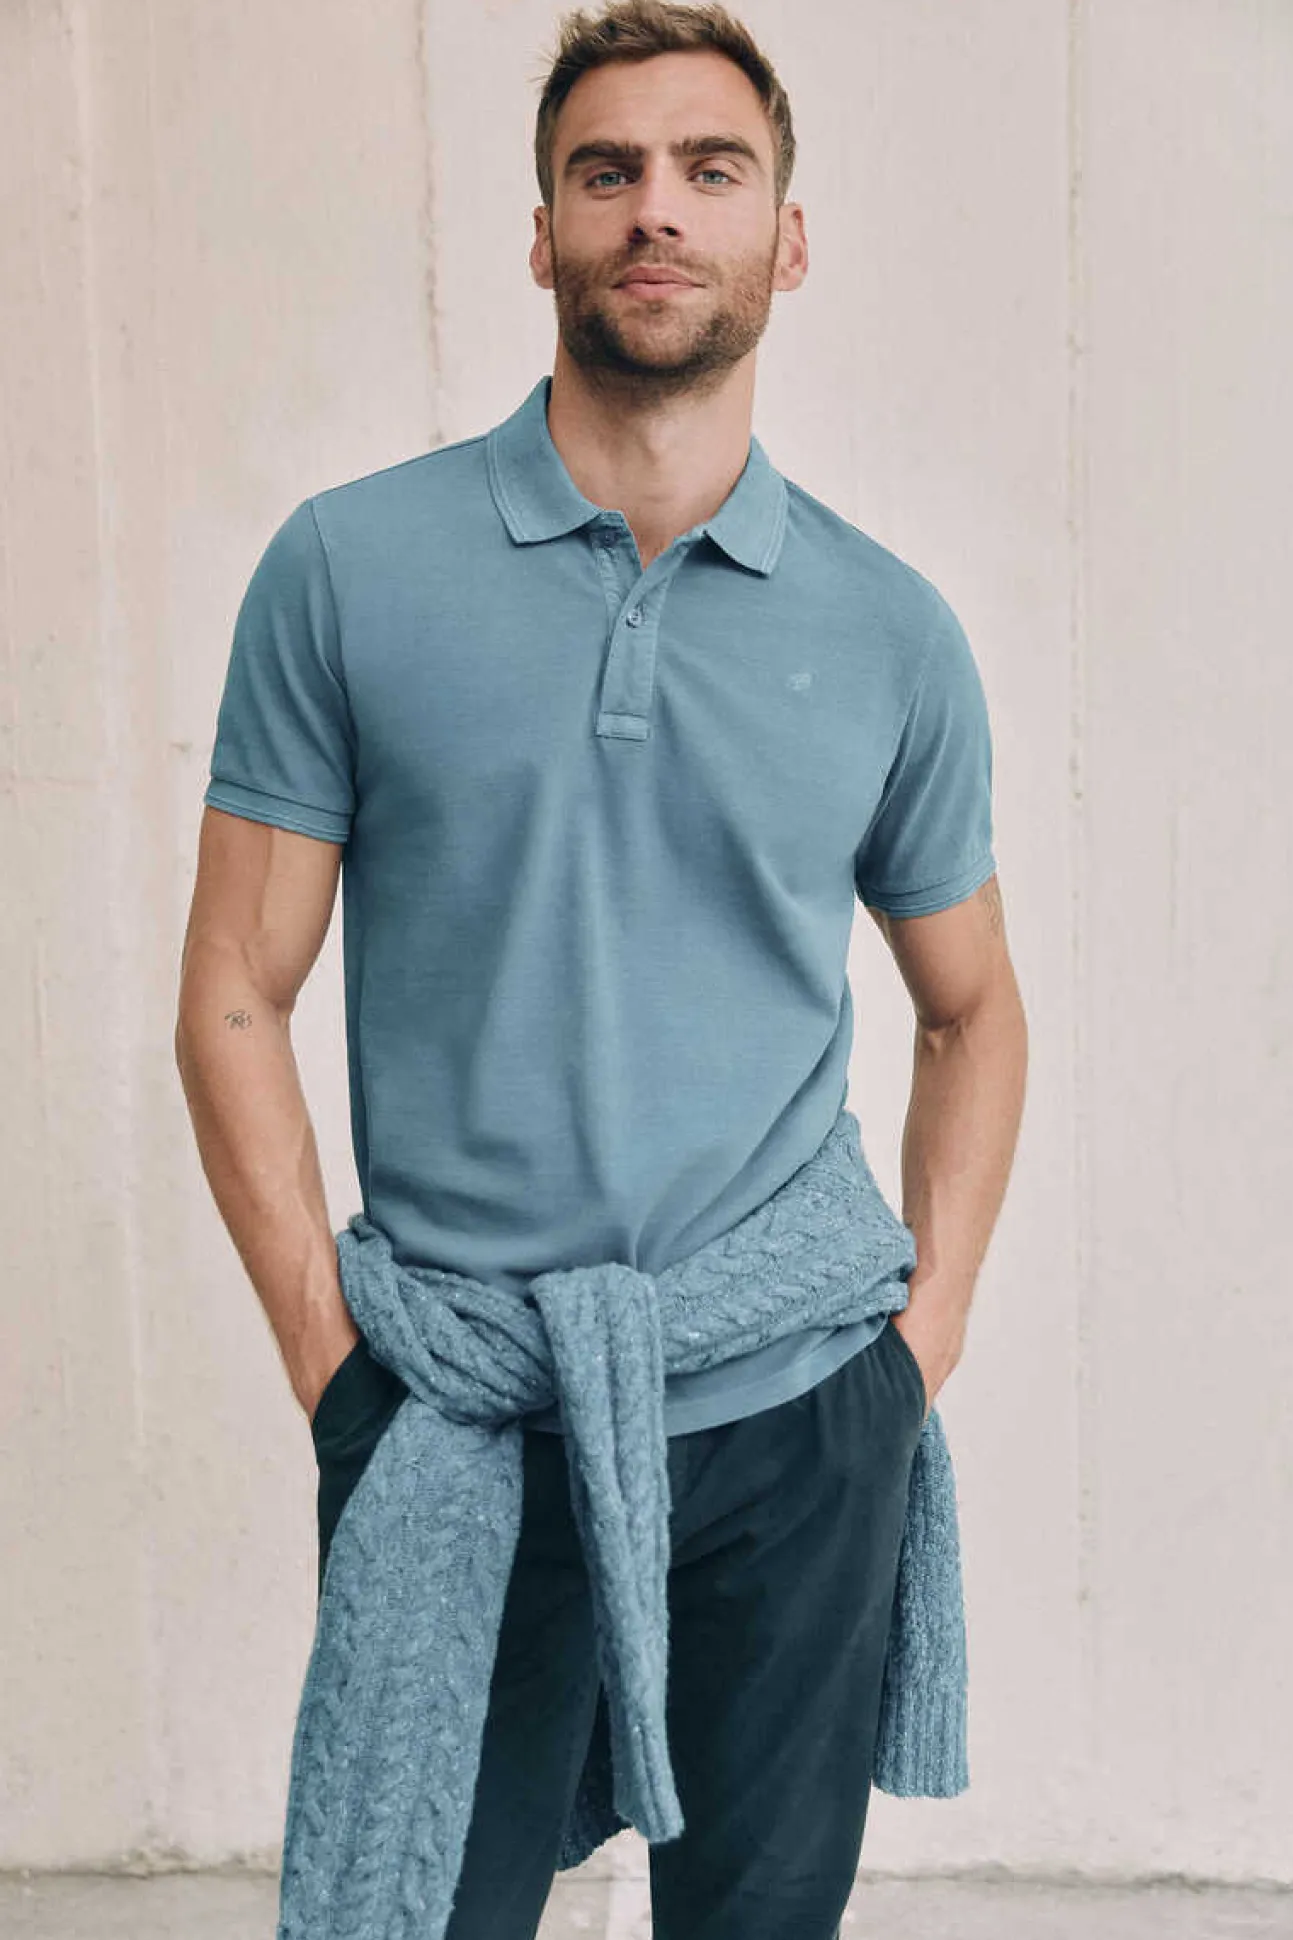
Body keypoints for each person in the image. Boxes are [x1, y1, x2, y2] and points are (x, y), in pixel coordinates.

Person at [175, 3, 1028, 1935]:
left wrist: (914, 1357)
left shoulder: (893, 632)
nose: (658, 209)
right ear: (542, 229)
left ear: (786, 240)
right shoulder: (347, 570)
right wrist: (332, 1367)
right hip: (465, 1410)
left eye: (712, 171)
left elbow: (972, 1007)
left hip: (795, 1412)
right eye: (607, 170)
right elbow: (233, 988)